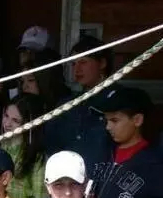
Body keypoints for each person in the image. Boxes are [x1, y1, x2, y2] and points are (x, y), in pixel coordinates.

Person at [44, 35, 115, 166]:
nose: (77, 69)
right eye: (73, 64)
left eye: (83, 62)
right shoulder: (67, 104)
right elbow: (51, 144)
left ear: (102, 63)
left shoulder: (121, 99)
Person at [0, 94, 48, 198]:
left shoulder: (36, 157)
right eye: (6, 116)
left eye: (15, 120)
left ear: (29, 125)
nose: (7, 124)